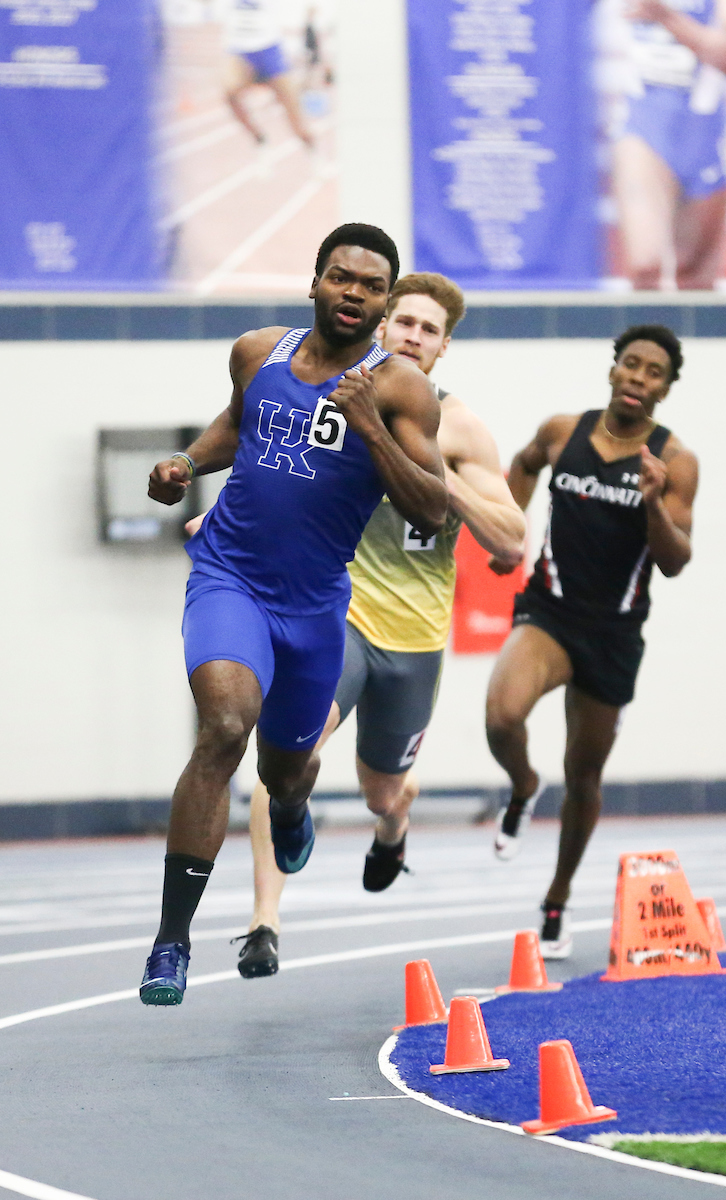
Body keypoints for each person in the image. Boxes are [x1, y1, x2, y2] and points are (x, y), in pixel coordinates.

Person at [140, 224, 449, 1006]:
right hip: (229, 578)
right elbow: (236, 423)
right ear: (315, 282)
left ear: (384, 304)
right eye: (341, 277)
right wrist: (187, 463)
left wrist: (370, 424)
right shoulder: (257, 352)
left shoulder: (402, 389)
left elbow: (433, 507)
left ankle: (291, 804)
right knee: (223, 727)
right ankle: (172, 941)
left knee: (285, 770)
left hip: (313, 608)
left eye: (371, 286)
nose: (353, 293)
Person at [229, 272, 526, 978]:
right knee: (285, 753)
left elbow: (512, 543)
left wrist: (435, 477)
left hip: (414, 639)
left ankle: (394, 825)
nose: (413, 337)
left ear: (444, 347)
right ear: (382, 326)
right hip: (336, 614)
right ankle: (264, 921)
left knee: (381, 790)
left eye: (429, 330)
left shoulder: (458, 427)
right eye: (405, 323)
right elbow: (272, 480)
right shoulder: (330, 398)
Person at [486, 325, 698, 958]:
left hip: (614, 633)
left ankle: (557, 899)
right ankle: (523, 785)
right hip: (550, 613)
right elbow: (524, 464)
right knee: (502, 716)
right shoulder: (563, 431)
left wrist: (653, 503)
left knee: (583, 774)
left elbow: (675, 561)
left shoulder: (675, 461)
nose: (638, 377)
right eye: (631, 364)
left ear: (664, 389)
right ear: (613, 370)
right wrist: (509, 534)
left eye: (654, 372)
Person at [613, 0, 726, 289]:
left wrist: (664, 15)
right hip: (645, 127)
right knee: (645, 266)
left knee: (694, 277)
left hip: (703, 133)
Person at [220, 0, 315, 172]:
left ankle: (311, 149)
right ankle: (260, 139)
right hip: (240, 51)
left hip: (269, 51)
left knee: (293, 109)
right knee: (229, 92)